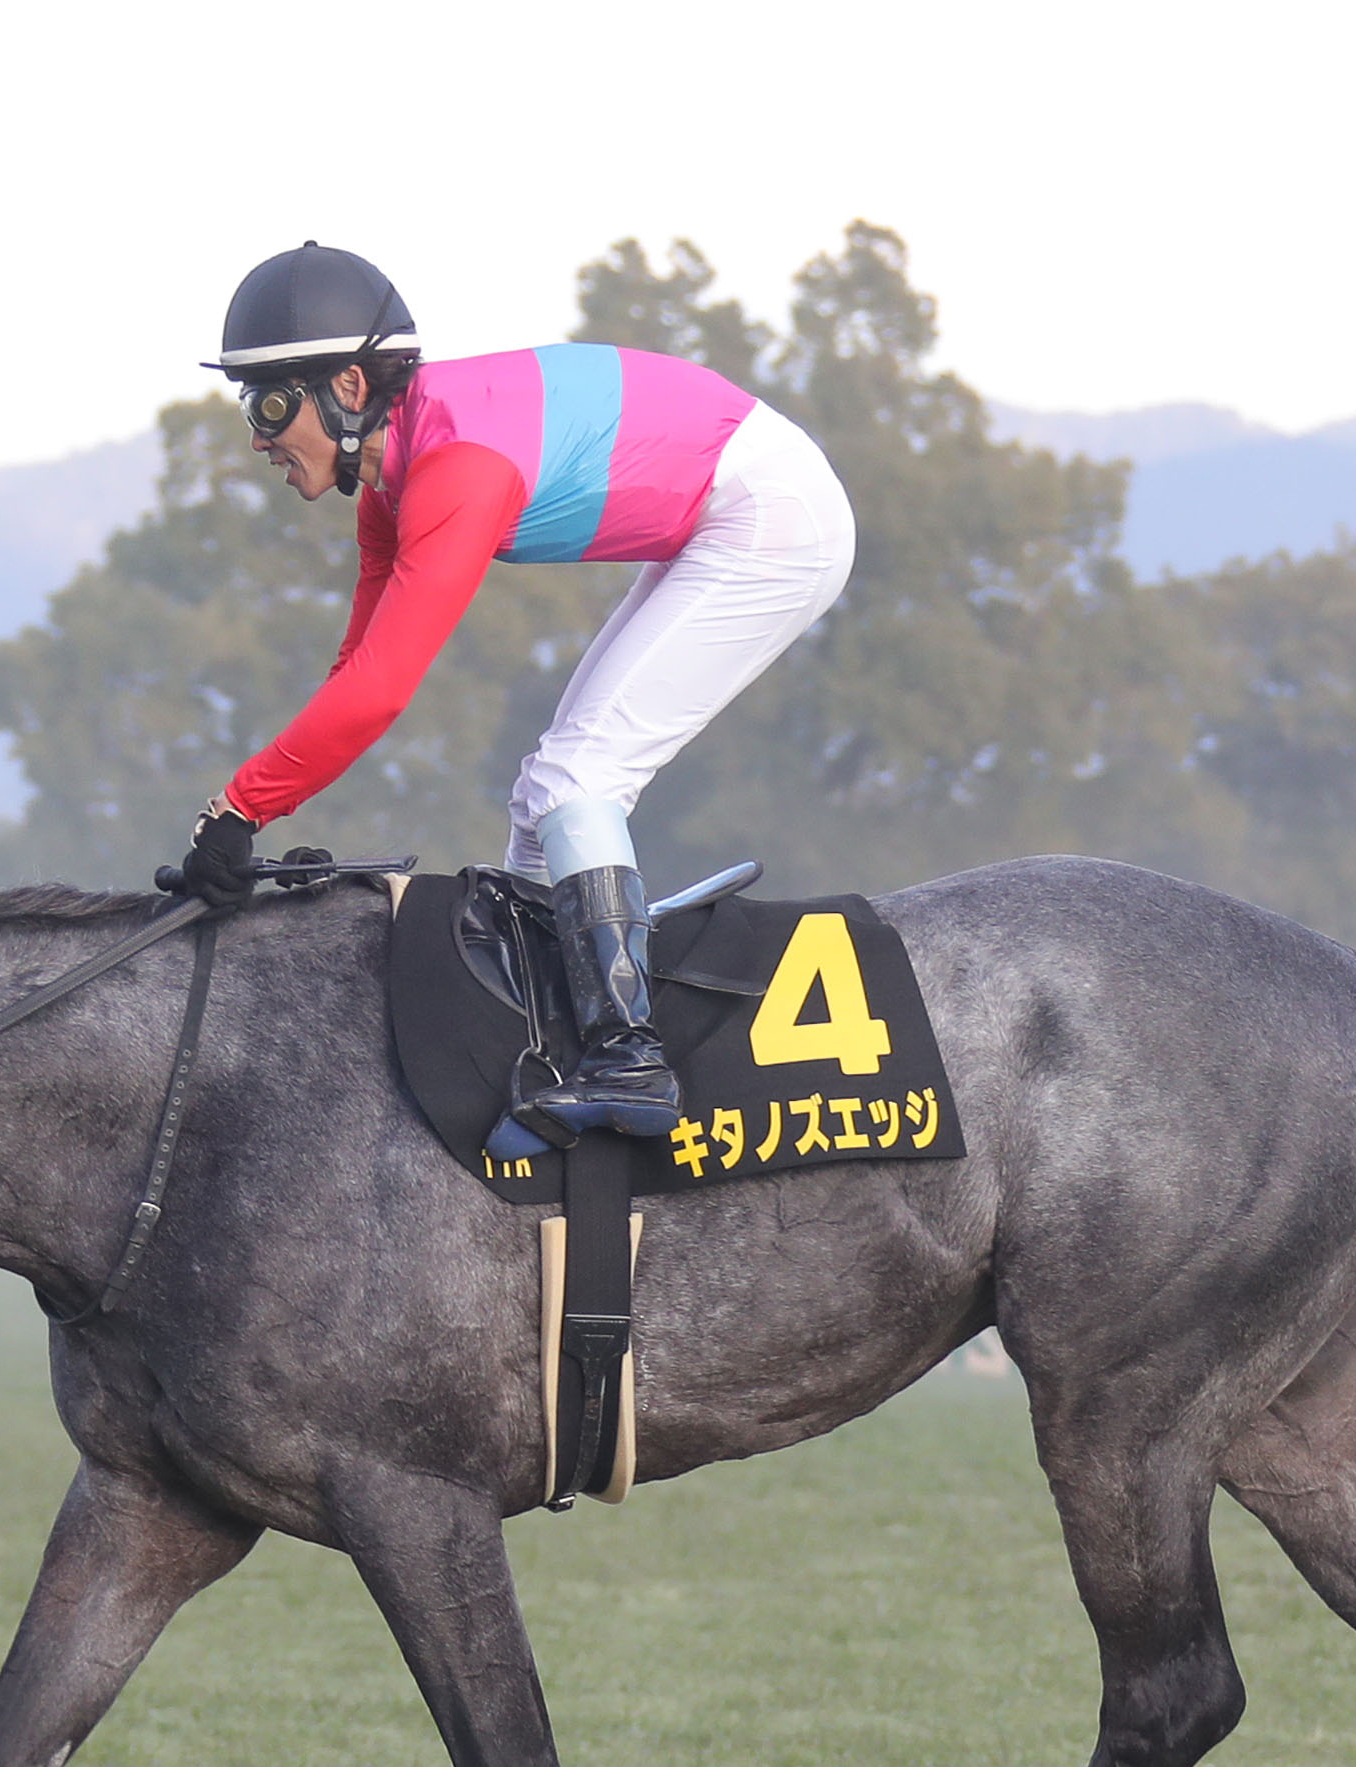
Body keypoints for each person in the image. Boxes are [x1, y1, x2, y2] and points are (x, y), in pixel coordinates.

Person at [177, 243, 856, 1139]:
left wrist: (238, 810)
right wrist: (243, 813)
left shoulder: (456, 467)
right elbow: (358, 671)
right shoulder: (393, 486)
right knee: (543, 803)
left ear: (348, 386)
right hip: (730, 510)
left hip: (773, 518)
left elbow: (381, 692)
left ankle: (630, 1059)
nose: (258, 439)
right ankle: (547, 1037)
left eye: (268, 404)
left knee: (578, 781)